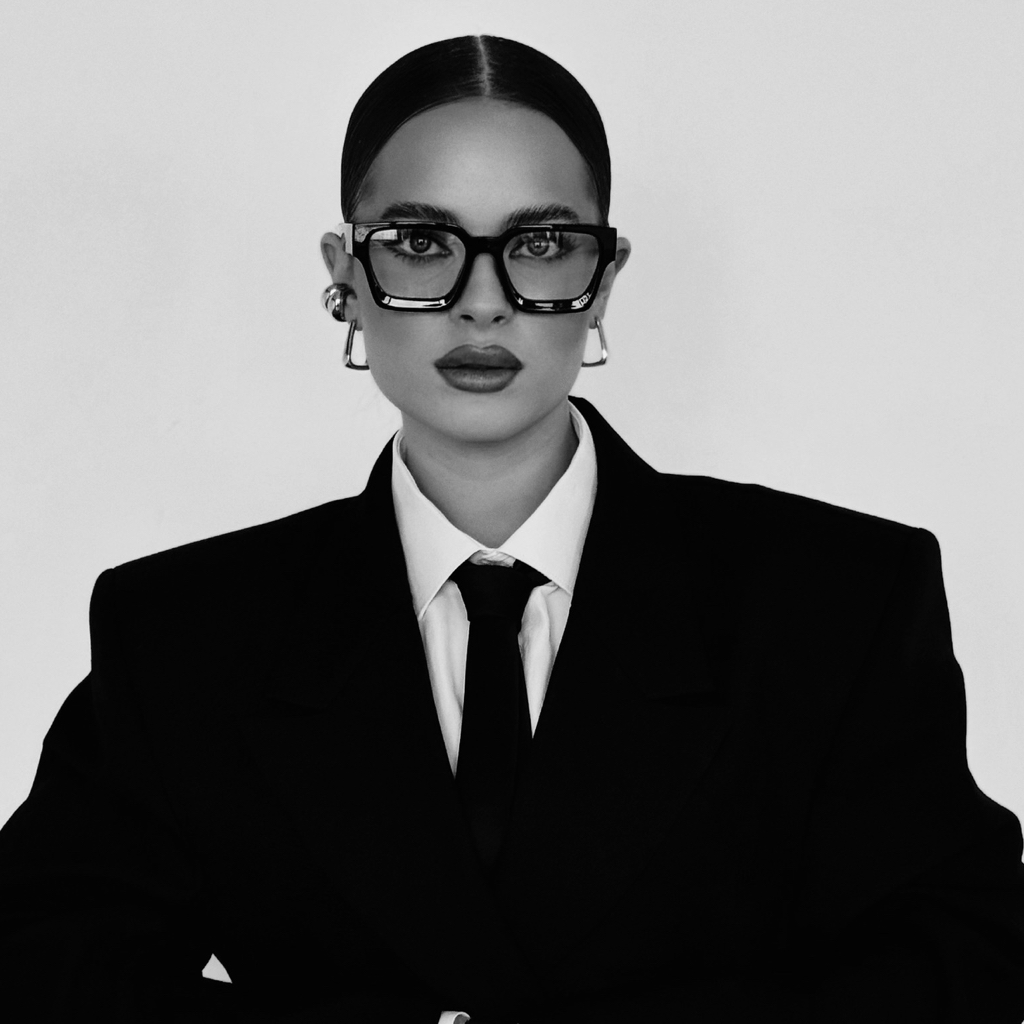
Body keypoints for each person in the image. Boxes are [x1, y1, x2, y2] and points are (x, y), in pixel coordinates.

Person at [1, 33, 1022, 1024]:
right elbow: (44, 966)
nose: (482, 305)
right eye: (420, 243)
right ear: (343, 276)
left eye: (540, 245)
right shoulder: (181, 636)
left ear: (604, 278)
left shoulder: (833, 602)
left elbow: (965, 956)